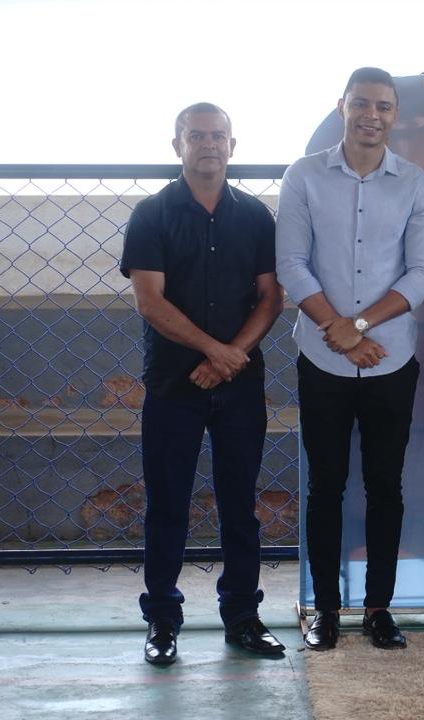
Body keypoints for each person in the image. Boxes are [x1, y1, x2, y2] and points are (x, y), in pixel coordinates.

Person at [276, 67, 424, 651]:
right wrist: (337, 330)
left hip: (390, 358)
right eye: (362, 103)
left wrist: (359, 326)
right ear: (343, 105)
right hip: (322, 358)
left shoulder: (415, 184)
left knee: (385, 487)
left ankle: (378, 609)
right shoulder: (303, 175)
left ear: (394, 115)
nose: (372, 115)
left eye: (384, 106)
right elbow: (291, 263)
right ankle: (324, 608)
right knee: (325, 487)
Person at [122, 102, 285, 665]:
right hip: (174, 384)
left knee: (240, 506)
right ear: (178, 145)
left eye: (218, 136)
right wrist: (216, 351)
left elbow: (271, 297)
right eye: (197, 135)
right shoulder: (151, 214)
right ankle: (163, 621)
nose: (209, 144)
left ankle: (242, 616)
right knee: (167, 505)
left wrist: (230, 357)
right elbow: (149, 301)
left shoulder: (257, 217)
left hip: (239, 386)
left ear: (232, 146)